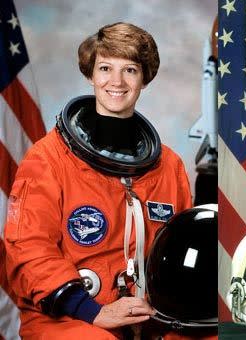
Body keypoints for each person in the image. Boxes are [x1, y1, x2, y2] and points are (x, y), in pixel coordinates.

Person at [4, 22, 194, 339]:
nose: (116, 81)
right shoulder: (48, 159)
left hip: (147, 315)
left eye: (130, 70)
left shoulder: (168, 166)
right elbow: (28, 248)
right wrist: (95, 312)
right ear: (91, 74)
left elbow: (178, 249)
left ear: (144, 79)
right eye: (105, 68)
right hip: (67, 318)